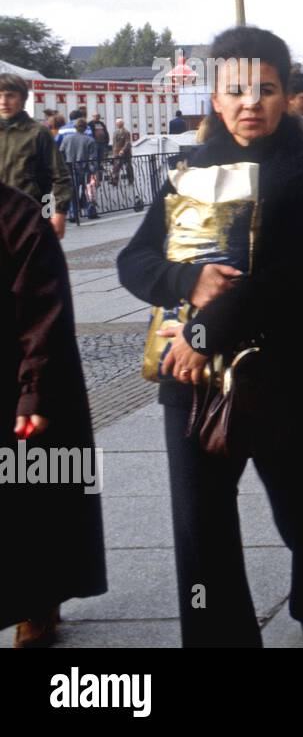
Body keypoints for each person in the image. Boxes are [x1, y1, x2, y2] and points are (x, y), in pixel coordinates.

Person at [117, 26, 303, 647]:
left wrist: (199, 334)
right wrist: (187, 279)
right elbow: (134, 258)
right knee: (200, 529)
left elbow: (284, 277)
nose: (250, 103)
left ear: (285, 95)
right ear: (216, 97)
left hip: (283, 366)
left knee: (298, 502)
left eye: (266, 89)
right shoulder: (191, 168)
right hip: (191, 379)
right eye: (236, 91)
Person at [1, 182, 107, 647]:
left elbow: (44, 309)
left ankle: (37, 602)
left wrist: (35, 393)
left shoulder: (16, 215)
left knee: (30, 498)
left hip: (15, 380)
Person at [0, 73, 71, 239]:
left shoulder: (38, 133)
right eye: (0, 95)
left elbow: (60, 177)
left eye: (10, 96)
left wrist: (59, 213)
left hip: (28, 217)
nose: (4, 102)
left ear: (23, 99)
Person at [111, 117, 135, 187]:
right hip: (116, 152)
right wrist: (114, 153)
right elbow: (114, 144)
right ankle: (114, 182)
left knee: (128, 167)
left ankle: (131, 181)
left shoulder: (126, 132)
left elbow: (127, 143)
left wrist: (123, 150)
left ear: (122, 124)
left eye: (118, 123)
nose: (117, 125)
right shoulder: (115, 132)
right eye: (117, 124)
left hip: (125, 153)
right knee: (116, 167)